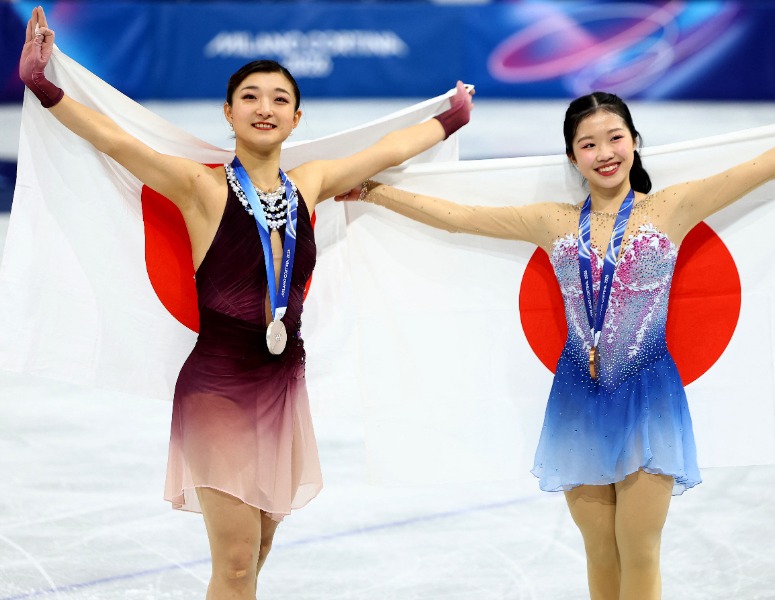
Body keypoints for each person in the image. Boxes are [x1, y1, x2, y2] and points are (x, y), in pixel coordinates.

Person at [339, 93, 775, 599]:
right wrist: (373, 190)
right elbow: (459, 218)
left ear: (634, 142)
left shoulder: (669, 209)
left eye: (615, 138)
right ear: (572, 156)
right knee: (598, 552)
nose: (604, 153)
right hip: (578, 399)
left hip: (649, 397)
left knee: (639, 551)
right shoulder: (552, 221)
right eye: (588, 144)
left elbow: (762, 167)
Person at [19, 6, 473, 599]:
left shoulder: (308, 184)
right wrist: (44, 85)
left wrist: (450, 120)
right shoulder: (200, 187)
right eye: (251, 97)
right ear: (229, 113)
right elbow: (114, 139)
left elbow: (385, 152)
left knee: (256, 551)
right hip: (218, 390)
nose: (266, 108)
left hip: (282, 386)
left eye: (280, 99)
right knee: (234, 566)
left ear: (296, 116)